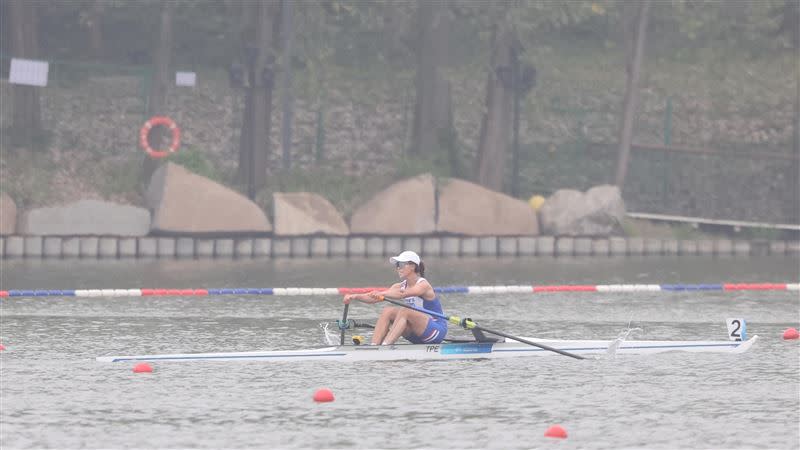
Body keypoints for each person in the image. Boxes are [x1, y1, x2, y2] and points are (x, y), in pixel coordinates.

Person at [343, 250, 448, 345]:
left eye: (401, 264)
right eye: (397, 265)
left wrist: (382, 294)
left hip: (436, 331)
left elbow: (403, 294)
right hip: (416, 334)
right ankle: (374, 346)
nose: (398, 268)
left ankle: (385, 346)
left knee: (405, 310)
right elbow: (373, 298)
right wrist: (354, 296)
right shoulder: (398, 286)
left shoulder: (423, 285)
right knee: (388, 311)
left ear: (412, 266)